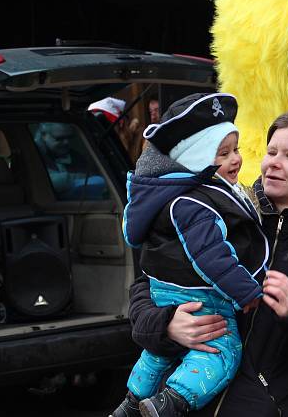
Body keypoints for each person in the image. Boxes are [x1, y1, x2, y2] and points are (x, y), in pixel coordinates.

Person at [125, 111, 288, 416]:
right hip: (175, 405)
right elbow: (146, 287)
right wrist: (167, 326)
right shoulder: (223, 216)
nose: (273, 163)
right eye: (271, 152)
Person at [111, 93, 266, 417]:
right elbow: (213, 258)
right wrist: (247, 292)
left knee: (156, 356)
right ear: (196, 161)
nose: (236, 159)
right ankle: (171, 403)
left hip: (165, 293)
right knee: (220, 350)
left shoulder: (171, 199)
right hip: (201, 297)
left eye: (236, 149)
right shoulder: (195, 203)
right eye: (223, 154)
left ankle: (130, 403)